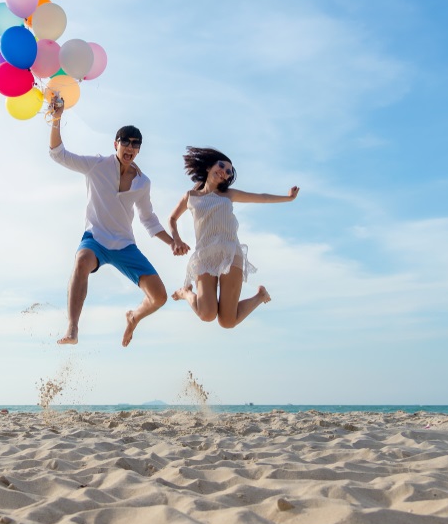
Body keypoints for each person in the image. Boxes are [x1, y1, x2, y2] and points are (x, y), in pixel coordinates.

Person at [48, 99, 189, 347]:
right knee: (82, 261)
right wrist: (57, 118)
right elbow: (58, 154)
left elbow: (148, 220)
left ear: (138, 151)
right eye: (125, 142)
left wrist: (173, 241)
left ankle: (134, 317)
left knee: (160, 297)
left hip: (125, 246)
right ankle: (72, 328)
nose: (130, 147)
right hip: (96, 239)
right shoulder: (96, 165)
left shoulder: (143, 182)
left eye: (135, 145)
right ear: (116, 144)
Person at [169, 146, 299, 329]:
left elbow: (261, 197)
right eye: (221, 166)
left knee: (227, 321)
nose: (224, 172)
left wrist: (288, 198)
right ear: (208, 167)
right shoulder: (191, 196)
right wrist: (176, 239)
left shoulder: (228, 195)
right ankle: (186, 293)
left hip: (230, 254)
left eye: (228, 172)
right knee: (207, 314)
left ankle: (260, 295)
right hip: (205, 256)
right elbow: (172, 218)